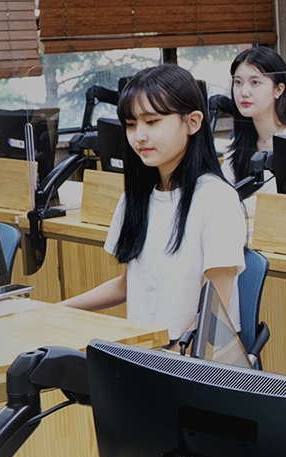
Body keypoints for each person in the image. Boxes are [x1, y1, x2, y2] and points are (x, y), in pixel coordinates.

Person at [62, 65, 248, 349]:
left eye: (152, 122)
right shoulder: (136, 198)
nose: (139, 136)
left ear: (193, 122)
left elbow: (214, 313)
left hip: (193, 359)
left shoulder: (217, 199)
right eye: (131, 124)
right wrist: (54, 311)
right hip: (146, 352)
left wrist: (169, 361)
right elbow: (129, 285)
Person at [226, 47, 286, 221]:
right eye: (238, 82)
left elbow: (281, 204)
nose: (244, 92)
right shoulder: (239, 144)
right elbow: (220, 195)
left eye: (255, 83)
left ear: (278, 90)